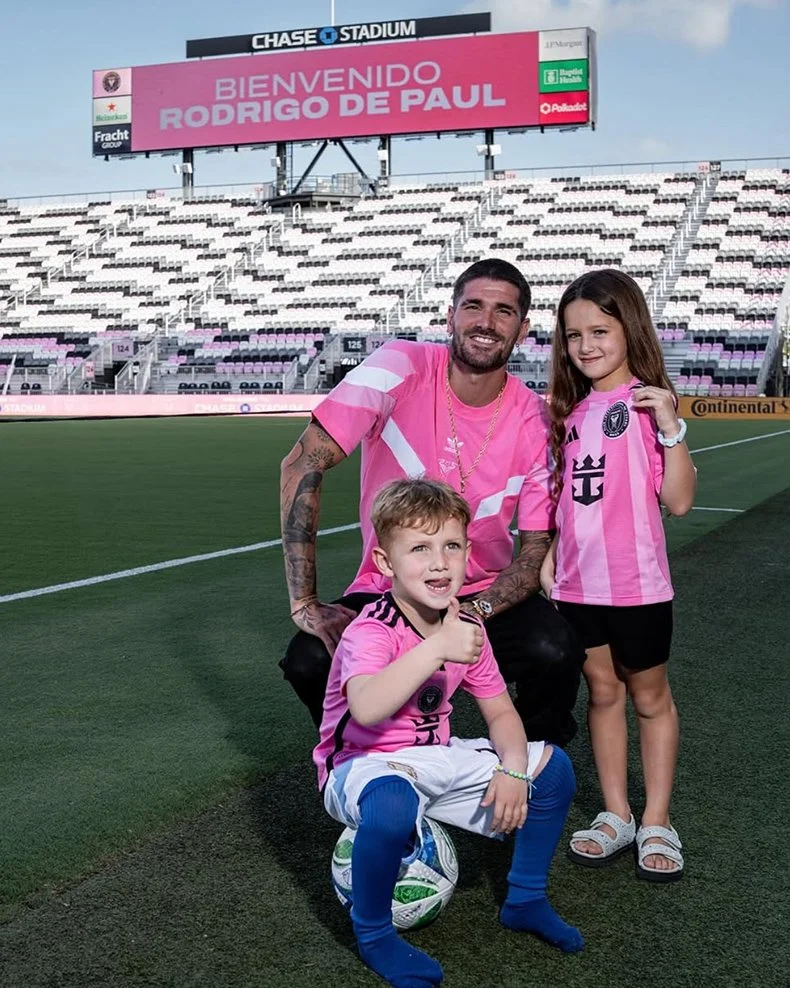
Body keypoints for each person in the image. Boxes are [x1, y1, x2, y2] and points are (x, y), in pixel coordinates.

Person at [280, 258, 584, 746]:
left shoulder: (535, 419)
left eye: (503, 312)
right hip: (390, 588)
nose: (486, 322)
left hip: (481, 592)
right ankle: (367, 765)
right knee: (311, 658)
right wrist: (304, 603)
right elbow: (302, 463)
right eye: (474, 307)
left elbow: (530, 557)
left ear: (522, 329)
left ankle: (529, 773)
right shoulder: (400, 365)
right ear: (450, 316)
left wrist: (469, 615)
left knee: (555, 649)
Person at [315, 478, 584, 988]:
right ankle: (374, 936)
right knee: (393, 802)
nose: (439, 563)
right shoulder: (370, 630)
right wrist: (435, 649)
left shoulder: (466, 629)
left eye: (452, 546)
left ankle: (525, 900)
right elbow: (368, 708)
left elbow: (502, 714)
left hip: (434, 755)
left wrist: (512, 769)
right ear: (385, 563)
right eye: (419, 548)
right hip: (361, 764)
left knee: (552, 772)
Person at [540, 268, 696, 883]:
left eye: (600, 330)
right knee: (602, 694)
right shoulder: (568, 412)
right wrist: (550, 553)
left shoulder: (650, 403)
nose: (586, 346)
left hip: (638, 587)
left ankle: (657, 819)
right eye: (574, 334)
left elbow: (679, 501)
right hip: (579, 587)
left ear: (629, 328)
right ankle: (616, 813)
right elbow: (558, 498)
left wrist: (672, 427)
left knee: (650, 698)